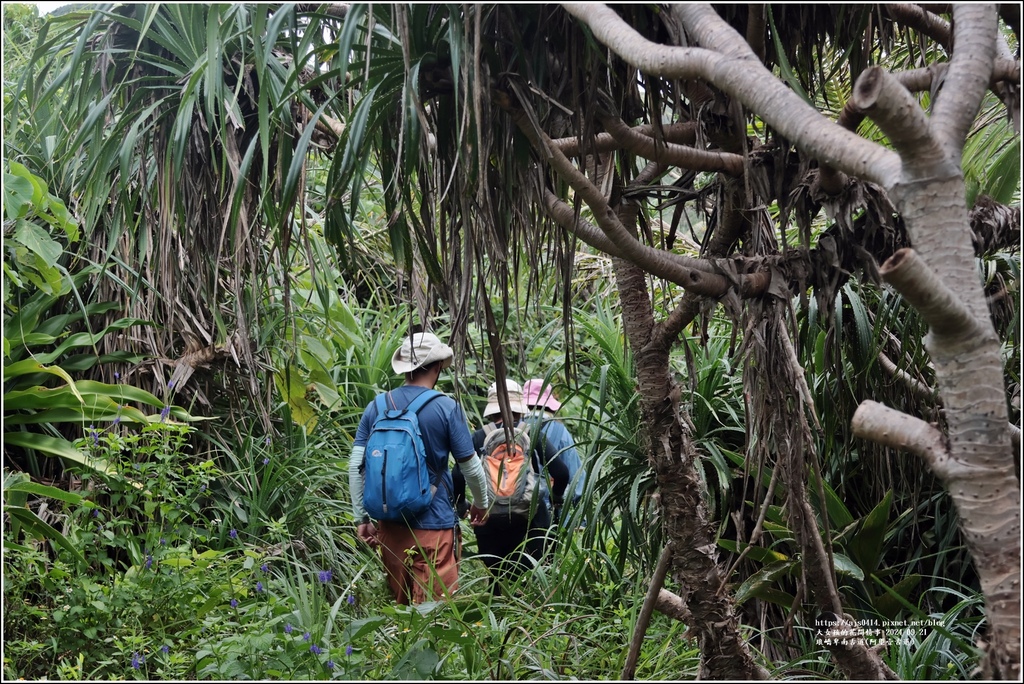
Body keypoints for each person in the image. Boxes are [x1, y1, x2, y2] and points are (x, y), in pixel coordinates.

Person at [348, 332, 492, 605]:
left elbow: (356, 465)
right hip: (434, 525)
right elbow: (471, 467)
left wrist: (361, 518)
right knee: (436, 615)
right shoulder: (446, 408)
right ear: (438, 366)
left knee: (401, 613)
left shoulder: (376, 407)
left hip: (390, 526)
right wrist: (481, 504)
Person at [453, 379, 569, 595]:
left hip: (489, 517)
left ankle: (494, 606)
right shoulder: (531, 434)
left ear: (490, 410)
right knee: (525, 572)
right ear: (519, 408)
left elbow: (457, 473)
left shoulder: (479, 437)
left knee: (497, 574)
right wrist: (556, 497)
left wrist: (461, 504)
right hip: (529, 516)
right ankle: (526, 610)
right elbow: (561, 473)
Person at [522, 378, 586, 511]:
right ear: (549, 405)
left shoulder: (515, 429)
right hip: (551, 507)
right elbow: (576, 477)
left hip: (518, 506)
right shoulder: (560, 431)